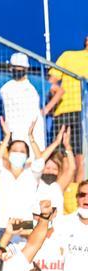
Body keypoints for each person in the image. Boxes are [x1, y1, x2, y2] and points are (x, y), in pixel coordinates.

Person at [48, 36, 88, 180]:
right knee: (60, 154)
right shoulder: (68, 56)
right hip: (65, 110)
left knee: (80, 155)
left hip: (84, 114)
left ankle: (79, 191)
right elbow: (51, 82)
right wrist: (53, 102)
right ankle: (62, 188)